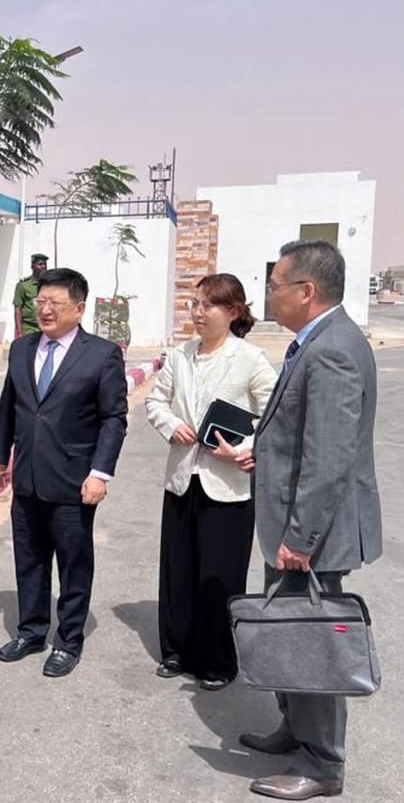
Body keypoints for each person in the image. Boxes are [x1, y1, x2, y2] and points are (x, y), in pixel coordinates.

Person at [240, 240, 381, 801]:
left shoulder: (332, 350)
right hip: (296, 524)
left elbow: (329, 457)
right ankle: (295, 729)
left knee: (312, 644)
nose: (268, 294)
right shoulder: (317, 341)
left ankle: (322, 764)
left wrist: (300, 537)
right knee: (291, 633)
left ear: (306, 291)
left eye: (274, 285)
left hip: (311, 533)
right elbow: (301, 436)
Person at [0, 267, 128, 678]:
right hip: (27, 478)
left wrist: (100, 473)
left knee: (73, 564)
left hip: (74, 481)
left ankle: (68, 641)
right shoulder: (21, 349)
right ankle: (31, 631)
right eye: (41, 301)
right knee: (29, 559)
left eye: (55, 302)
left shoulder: (102, 354)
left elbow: (113, 419)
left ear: (79, 308)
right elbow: (9, 406)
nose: (45, 310)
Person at [144, 274, 278, 690]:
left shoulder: (250, 359)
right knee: (179, 569)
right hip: (183, 479)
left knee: (219, 575)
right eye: (195, 304)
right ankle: (176, 650)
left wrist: (243, 449)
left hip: (228, 485)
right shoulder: (180, 355)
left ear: (233, 312)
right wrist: (170, 424)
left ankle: (217, 661)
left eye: (208, 305)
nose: (198, 313)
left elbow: (275, 417)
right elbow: (155, 400)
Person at [12, 252, 48, 339]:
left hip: (45, 326)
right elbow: (18, 309)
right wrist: (19, 332)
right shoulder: (23, 285)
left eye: (45, 264)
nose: (43, 266)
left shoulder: (48, 285)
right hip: (28, 328)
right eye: (40, 264)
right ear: (32, 266)